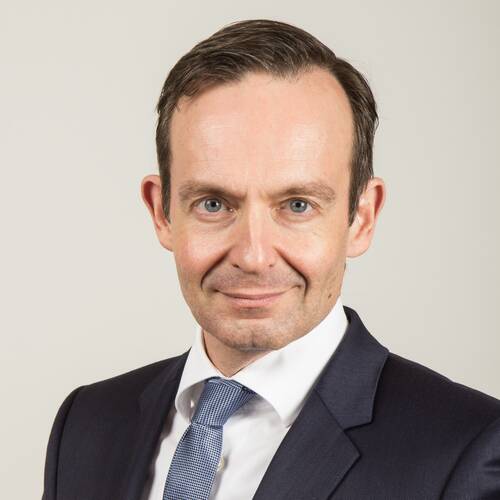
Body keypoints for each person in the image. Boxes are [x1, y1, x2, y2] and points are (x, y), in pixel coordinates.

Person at [42, 19, 500, 500]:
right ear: (162, 212)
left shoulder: (465, 450)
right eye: (214, 204)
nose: (253, 256)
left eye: (297, 205)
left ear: (361, 218)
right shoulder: (87, 424)